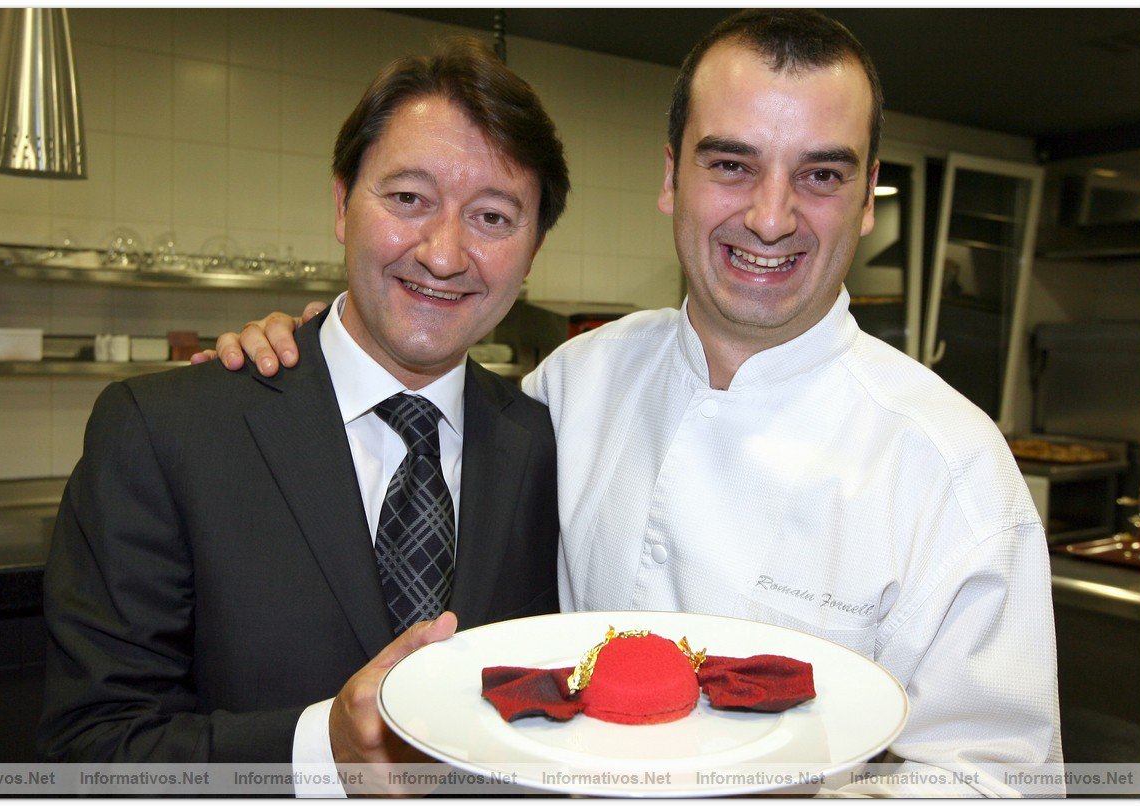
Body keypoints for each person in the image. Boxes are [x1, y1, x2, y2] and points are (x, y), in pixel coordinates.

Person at [203, 10, 1063, 797]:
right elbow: (413, 396)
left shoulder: (952, 469)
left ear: (867, 197)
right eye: (731, 164)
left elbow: (1001, 782)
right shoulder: (577, 381)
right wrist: (313, 352)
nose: (769, 218)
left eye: (821, 175)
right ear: (671, 177)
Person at [36, 36, 568, 794]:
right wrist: (322, 749)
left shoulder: (543, 444)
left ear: (534, 247)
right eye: (408, 198)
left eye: (493, 217)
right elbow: (87, 751)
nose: (444, 254)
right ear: (342, 204)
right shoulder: (165, 432)